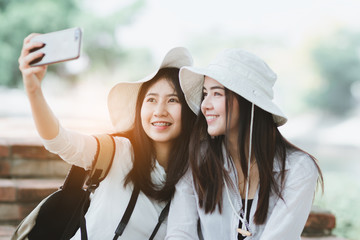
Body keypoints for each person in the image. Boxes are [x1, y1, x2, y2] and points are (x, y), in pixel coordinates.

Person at [18, 33, 196, 239]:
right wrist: (33, 89)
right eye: (151, 100)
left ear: (189, 111)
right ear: (139, 108)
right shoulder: (118, 151)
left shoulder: (193, 176)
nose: (159, 111)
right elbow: (60, 141)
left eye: (173, 100)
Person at [166, 48, 323, 240]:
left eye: (217, 94)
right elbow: (180, 233)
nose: (205, 105)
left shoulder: (297, 169)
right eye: (205, 94)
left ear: (249, 101)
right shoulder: (198, 159)